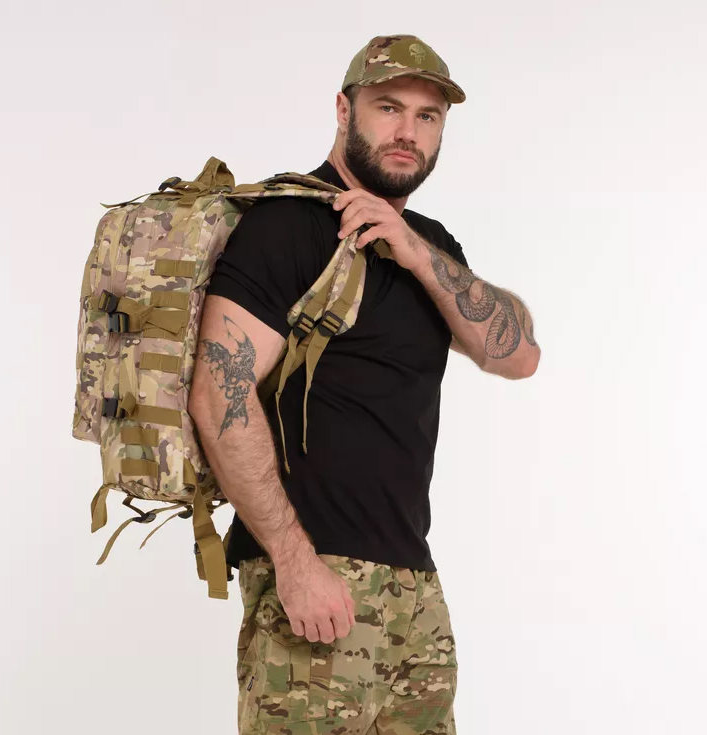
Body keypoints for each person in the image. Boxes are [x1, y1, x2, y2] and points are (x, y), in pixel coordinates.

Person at [189, 33, 540, 735]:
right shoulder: (287, 226)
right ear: (344, 110)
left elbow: (518, 354)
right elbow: (217, 396)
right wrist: (294, 563)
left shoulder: (429, 245)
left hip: (414, 584)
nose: (408, 131)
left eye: (427, 116)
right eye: (388, 108)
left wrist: (411, 248)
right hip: (314, 577)